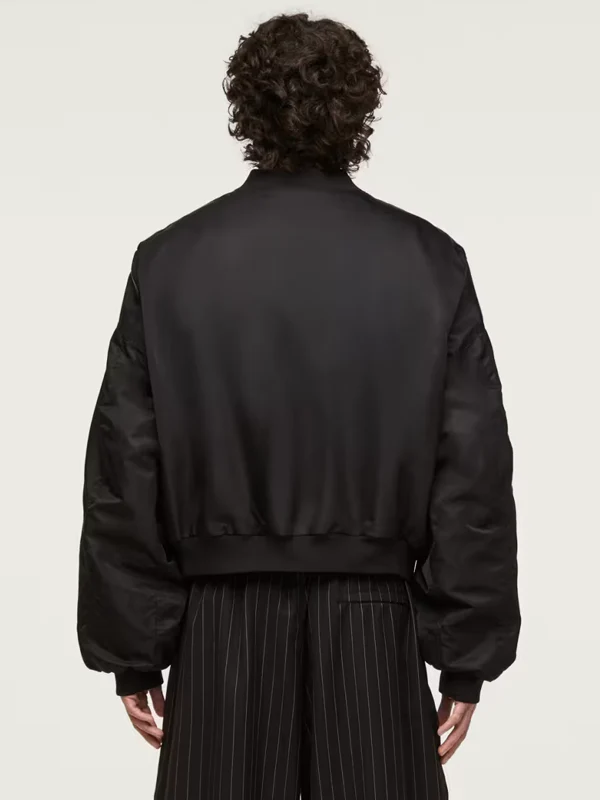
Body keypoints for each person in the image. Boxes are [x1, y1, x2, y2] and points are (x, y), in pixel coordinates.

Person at [77, 12, 520, 800]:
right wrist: (465, 657)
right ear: (360, 111)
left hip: (221, 629)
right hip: (374, 623)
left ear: (247, 111)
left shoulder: (170, 262)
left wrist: (132, 651)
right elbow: (472, 473)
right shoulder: (429, 262)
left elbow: (125, 468)